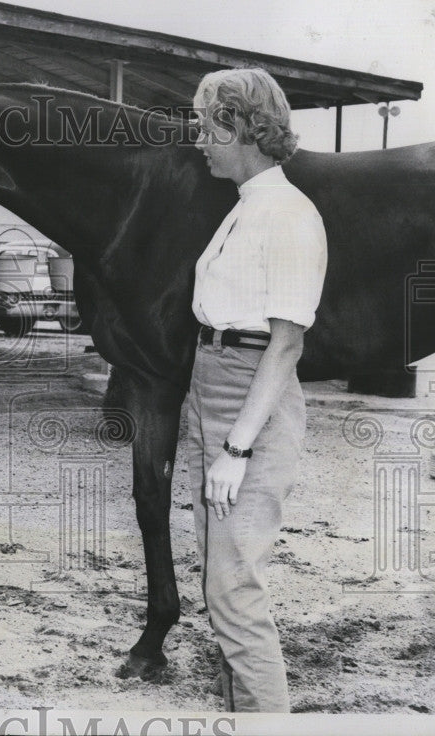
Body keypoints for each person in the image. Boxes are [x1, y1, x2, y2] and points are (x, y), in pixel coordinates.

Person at [186, 68, 328, 712]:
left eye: (204, 122)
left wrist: (237, 449)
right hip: (211, 385)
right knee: (222, 584)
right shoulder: (246, 206)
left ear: (239, 125)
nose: (198, 137)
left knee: (235, 592)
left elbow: (286, 344)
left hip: (252, 402)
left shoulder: (290, 214)